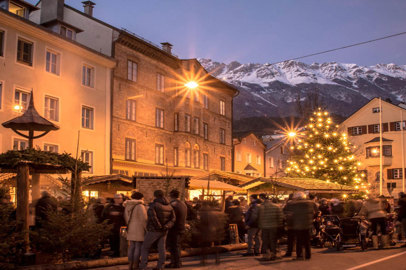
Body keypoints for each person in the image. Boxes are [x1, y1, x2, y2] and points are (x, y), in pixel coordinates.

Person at [140, 190, 175, 270]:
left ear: (155, 196)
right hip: (164, 231)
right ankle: (160, 266)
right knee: (162, 248)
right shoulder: (169, 206)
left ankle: (143, 266)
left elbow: (153, 217)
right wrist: (166, 226)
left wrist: (159, 226)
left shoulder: (154, 205)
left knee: (145, 247)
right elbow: (173, 219)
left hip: (154, 230)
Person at [285, 192, 315, 260]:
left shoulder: (292, 204)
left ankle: (299, 255)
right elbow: (315, 212)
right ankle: (308, 255)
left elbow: (289, 214)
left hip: (297, 224)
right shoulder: (311, 203)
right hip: (307, 224)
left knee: (299, 240)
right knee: (307, 240)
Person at [124, 192, 147, 270]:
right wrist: (146, 229)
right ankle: (135, 264)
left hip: (130, 228)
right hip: (139, 228)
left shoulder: (127, 205)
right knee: (138, 246)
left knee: (131, 247)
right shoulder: (140, 206)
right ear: (141, 198)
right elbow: (144, 219)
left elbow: (126, 217)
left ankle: (130, 264)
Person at [258, 194, 283, 261]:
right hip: (274, 226)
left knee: (265, 241)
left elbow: (257, 217)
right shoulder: (276, 207)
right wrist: (280, 225)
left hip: (264, 226)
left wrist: (259, 225)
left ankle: (266, 255)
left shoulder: (260, 207)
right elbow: (280, 217)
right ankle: (273, 254)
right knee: (273, 241)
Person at [167, 189, 187, 268]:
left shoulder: (173, 204)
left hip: (174, 228)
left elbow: (171, 217)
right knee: (177, 246)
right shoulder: (183, 204)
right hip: (181, 227)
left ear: (171, 196)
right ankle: (177, 262)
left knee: (173, 246)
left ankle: (175, 263)